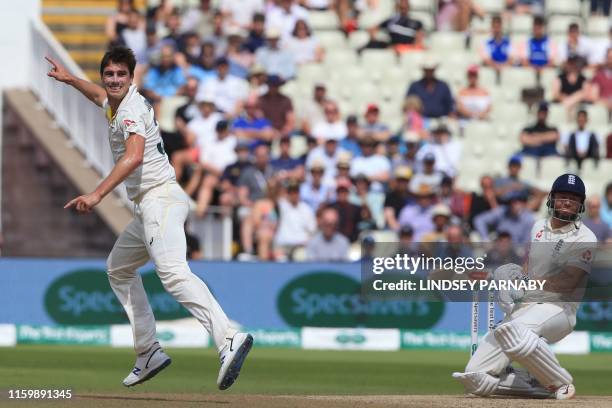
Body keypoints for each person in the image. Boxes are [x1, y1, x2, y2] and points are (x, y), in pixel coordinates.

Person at [45, 47, 252, 390]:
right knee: (119, 267)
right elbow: (98, 95)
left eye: (120, 75)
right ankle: (148, 351)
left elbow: (135, 156)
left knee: (172, 273)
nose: (113, 81)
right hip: (149, 206)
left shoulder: (130, 111)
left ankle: (228, 336)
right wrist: (69, 80)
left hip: (161, 200)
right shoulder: (114, 102)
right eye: (109, 74)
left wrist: (97, 194)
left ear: (131, 78)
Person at [454, 173, 597, 400]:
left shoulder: (585, 237)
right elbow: (528, 268)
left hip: (559, 309)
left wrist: (528, 283)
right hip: (527, 306)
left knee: (516, 332)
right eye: (562, 196)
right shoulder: (538, 226)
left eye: (574, 198)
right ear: (551, 199)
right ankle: (534, 382)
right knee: (475, 376)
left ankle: (560, 382)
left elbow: (570, 282)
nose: (568, 201)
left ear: (581, 204)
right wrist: (506, 279)